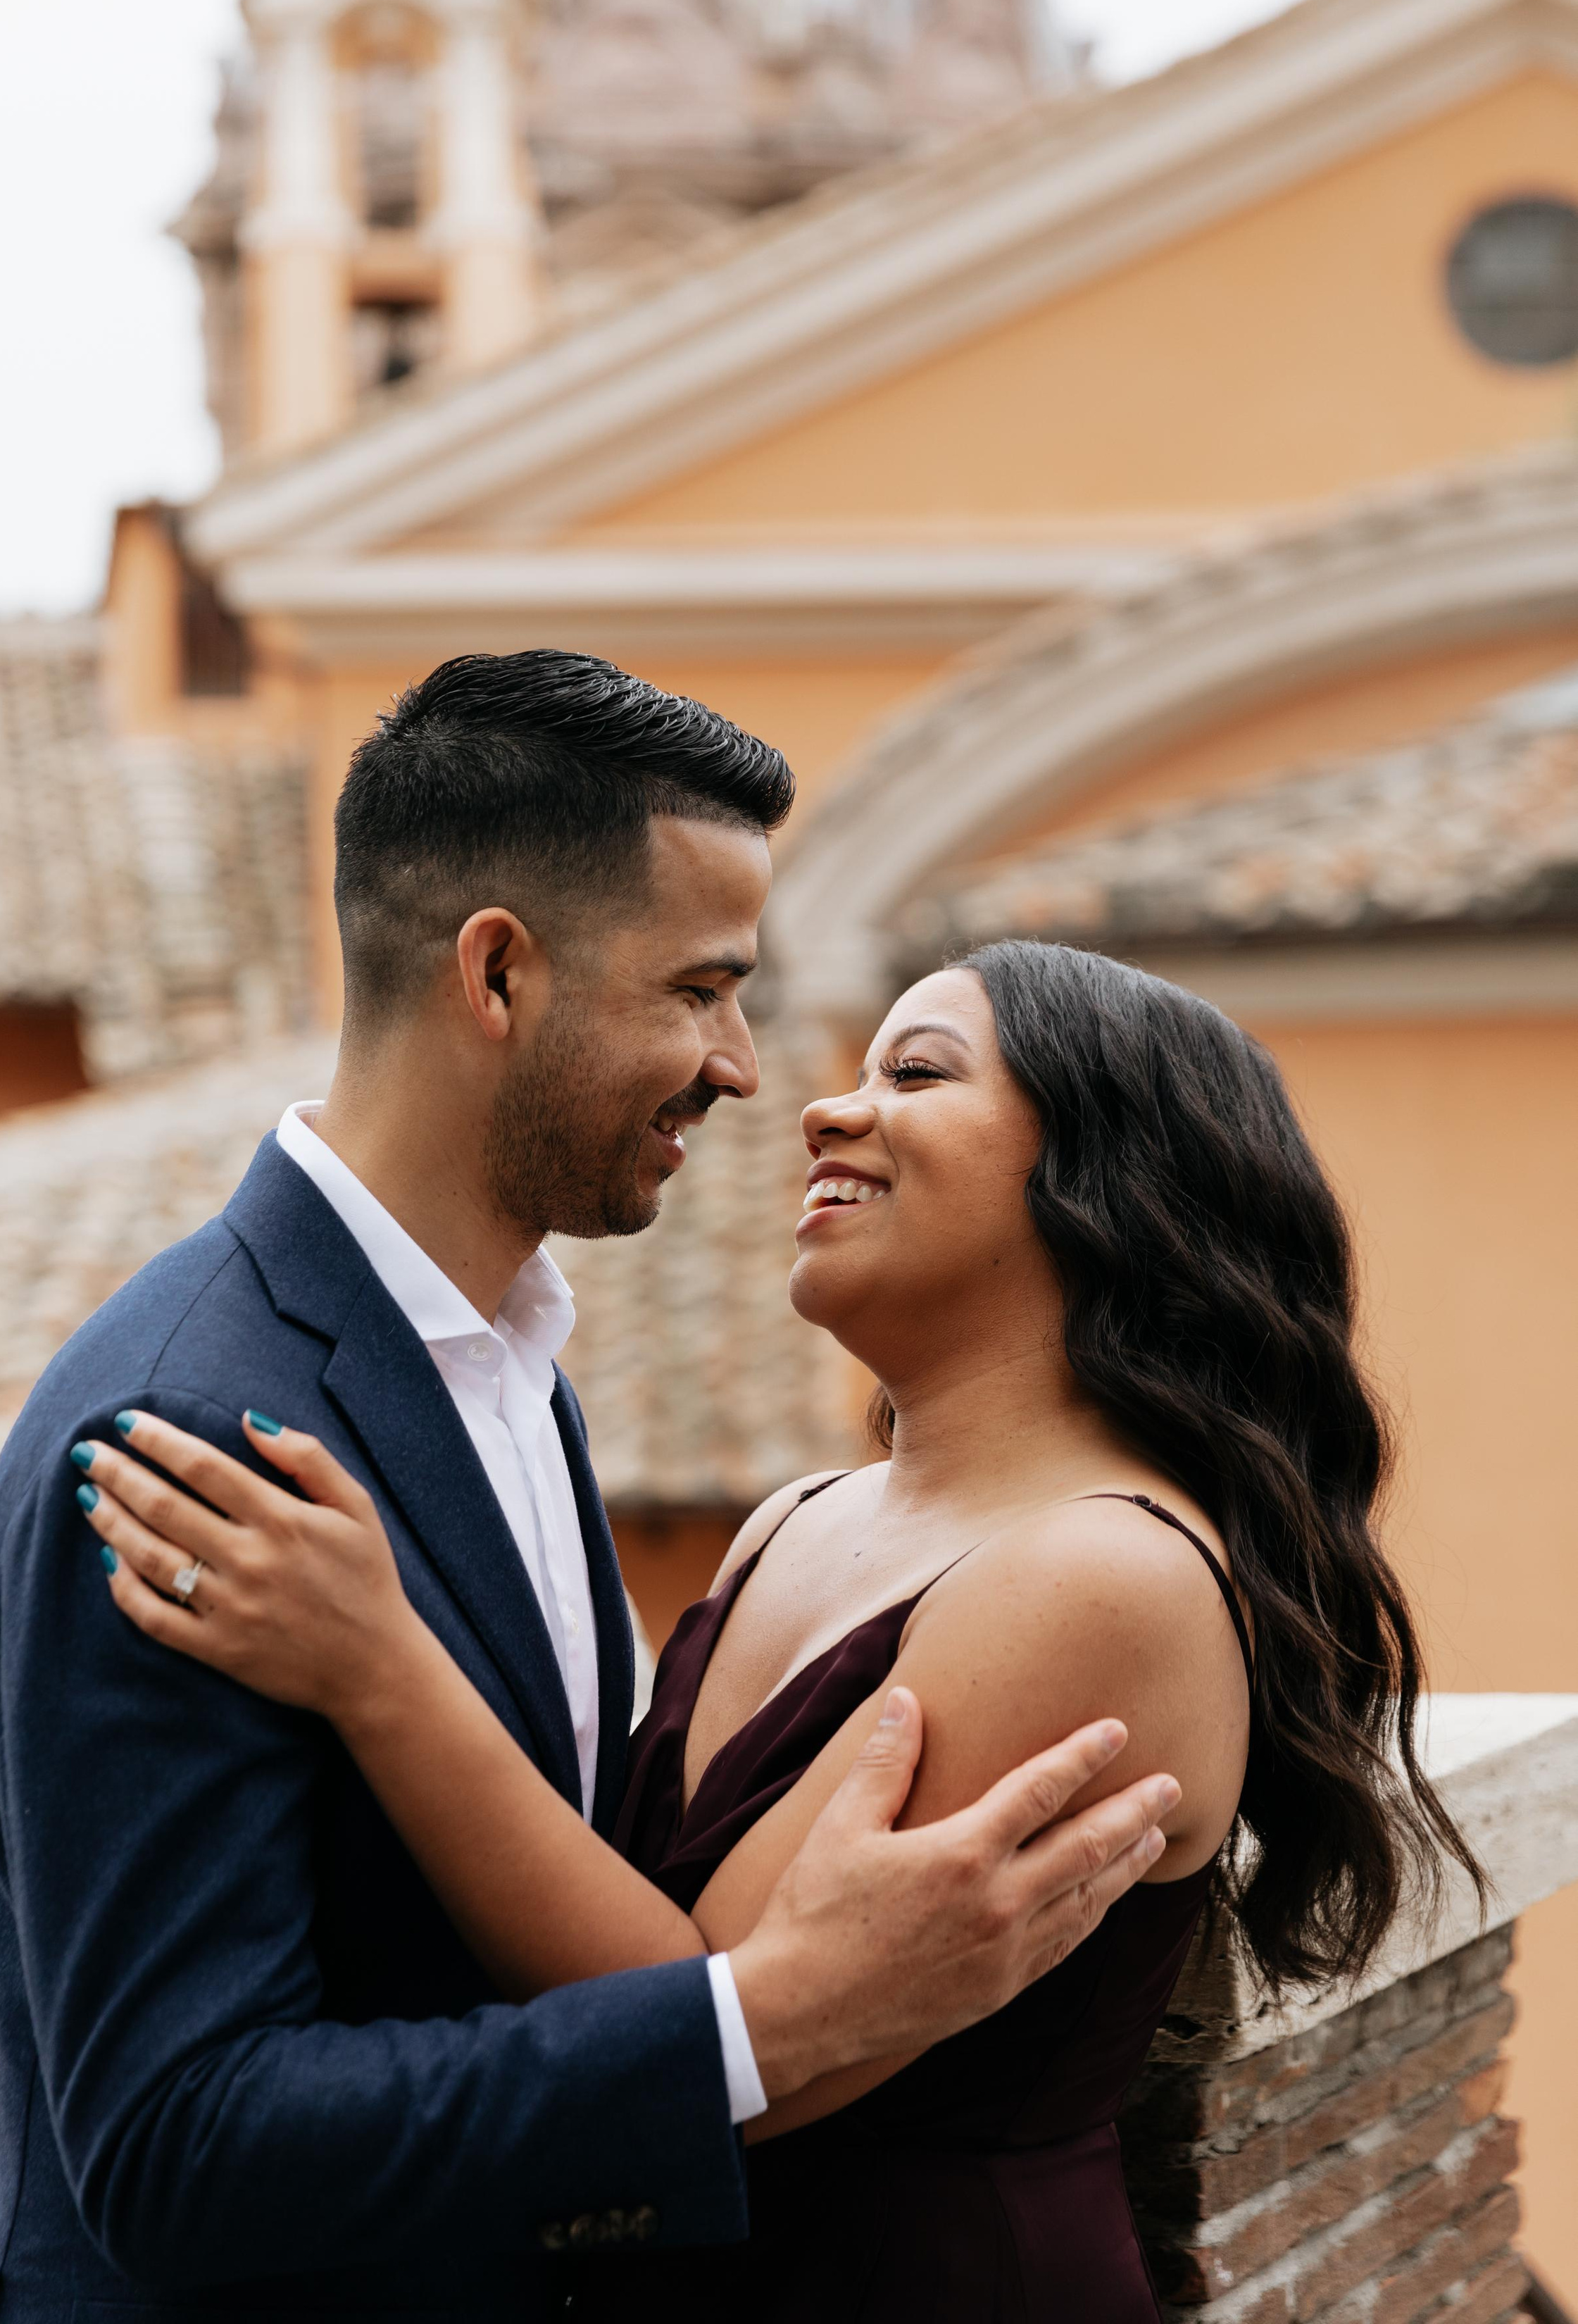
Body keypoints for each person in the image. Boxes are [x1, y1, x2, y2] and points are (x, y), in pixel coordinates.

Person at [0, 654, 1178, 2324]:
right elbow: (181, 2150)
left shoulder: (512, 1378)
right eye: (697, 989)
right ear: (500, 974)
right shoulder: (198, 1434)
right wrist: (776, 2015)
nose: (742, 1067)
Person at [79, 936, 1486, 2321]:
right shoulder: (794, 1521)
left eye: (917, 1071)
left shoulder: (1099, 1580)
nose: (822, 1103)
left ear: (1108, 1178)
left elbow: (698, 2026)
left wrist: (376, 1668)